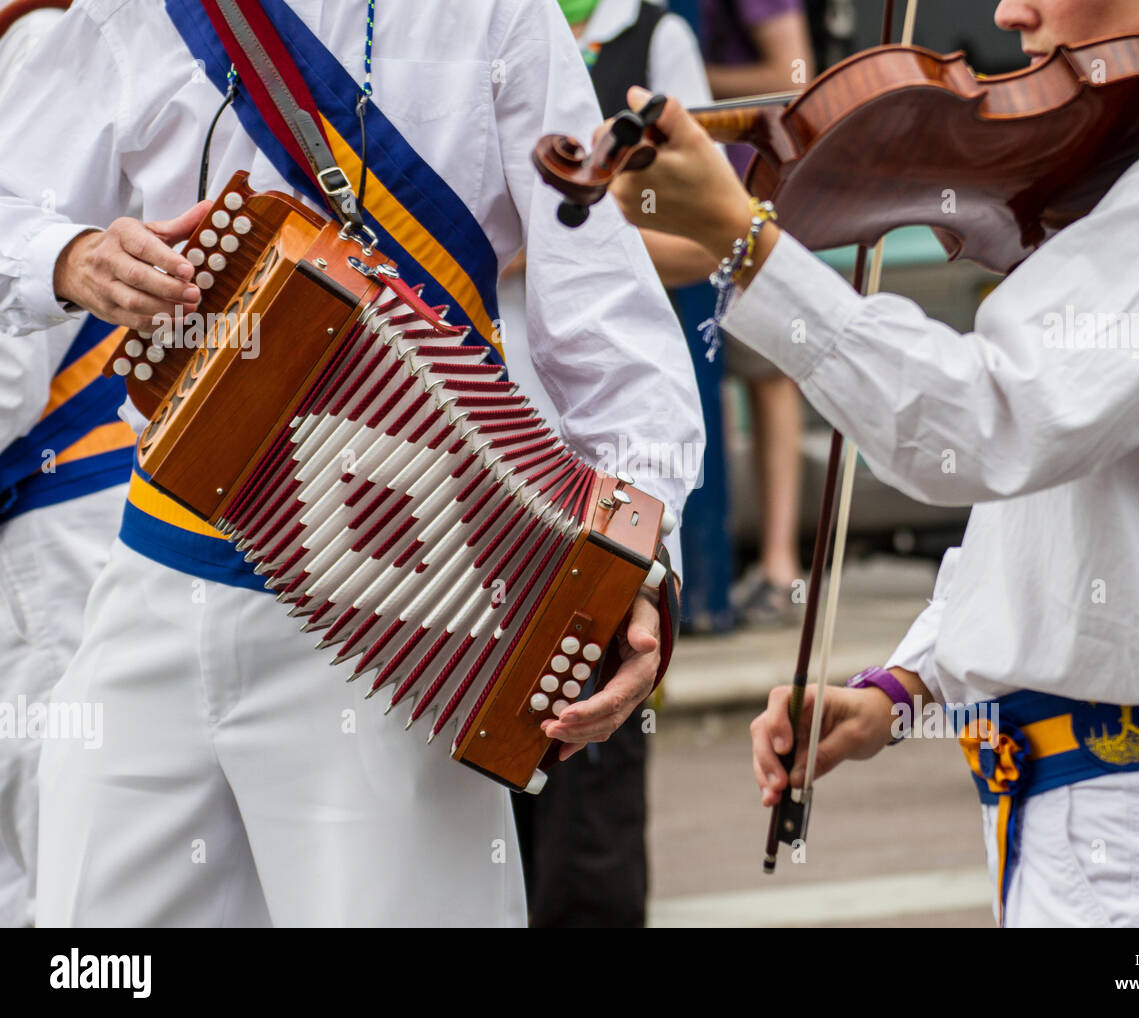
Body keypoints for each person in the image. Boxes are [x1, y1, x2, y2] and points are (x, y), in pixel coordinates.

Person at [0, 0, 703, 927]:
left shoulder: (499, 14)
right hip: (162, 560)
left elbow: (606, 311)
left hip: (408, 597)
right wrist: (71, 255)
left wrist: (643, 567)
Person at [608, 0, 1139, 926]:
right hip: (1123, 835)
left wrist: (748, 244)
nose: (1010, 10)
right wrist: (912, 688)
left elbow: (985, 423)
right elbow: (1069, 504)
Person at [506, 0, 713, 929]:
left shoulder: (652, 36)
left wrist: (547, 250)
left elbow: (700, 231)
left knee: (587, 819)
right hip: (459, 473)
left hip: (584, 471)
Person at [0, 2, 134, 929]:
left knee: (70, 854)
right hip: (50, 512)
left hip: (60, 505)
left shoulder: (48, 40)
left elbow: (13, 351)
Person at [700, 0, 815, 627]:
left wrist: (689, 78)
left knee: (770, 376)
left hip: (754, 196)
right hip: (715, 200)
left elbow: (794, 75)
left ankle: (780, 564)